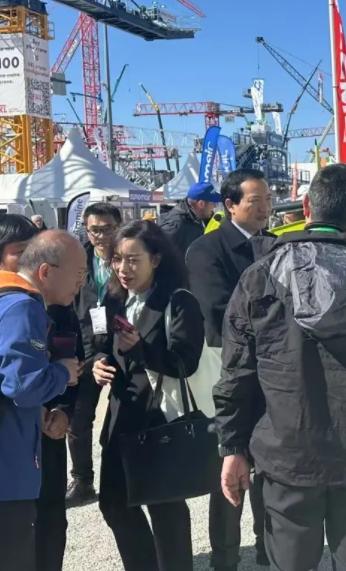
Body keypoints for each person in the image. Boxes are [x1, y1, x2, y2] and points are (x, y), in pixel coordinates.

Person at [214, 163, 346, 571]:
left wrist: (233, 446)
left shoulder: (260, 276)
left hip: (286, 453)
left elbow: (236, 372)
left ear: (307, 206)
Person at [91, 220, 204, 571]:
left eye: (133, 260)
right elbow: (99, 343)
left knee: (164, 505)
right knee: (113, 502)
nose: (123, 269)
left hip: (158, 416)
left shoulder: (178, 301)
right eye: (117, 259)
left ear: (155, 260)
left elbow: (185, 362)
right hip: (121, 413)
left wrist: (142, 350)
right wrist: (98, 363)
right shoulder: (112, 298)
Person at [186, 168, 275, 571]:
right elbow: (218, 311)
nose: (265, 209)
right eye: (255, 202)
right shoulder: (207, 249)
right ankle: (224, 558)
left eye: (268, 200)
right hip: (230, 370)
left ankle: (269, 549)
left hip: (274, 372)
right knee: (230, 464)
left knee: (270, 466)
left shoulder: (275, 245)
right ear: (230, 205)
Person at [0, 215, 87, 571]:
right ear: (46, 272)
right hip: (9, 470)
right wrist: (61, 372)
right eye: (78, 272)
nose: (82, 282)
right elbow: (22, 385)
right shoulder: (22, 306)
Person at [66, 202, 122, 506]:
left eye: (107, 229)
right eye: (94, 230)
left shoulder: (128, 256)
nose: (101, 236)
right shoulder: (77, 259)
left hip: (123, 346)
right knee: (77, 421)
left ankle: (127, 477)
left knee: (126, 417)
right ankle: (82, 481)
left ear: (118, 226)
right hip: (86, 349)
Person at [158, 181, 221, 262]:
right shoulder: (176, 225)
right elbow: (159, 256)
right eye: (213, 202)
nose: (215, 206)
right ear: (201, 204)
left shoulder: (196, 218)